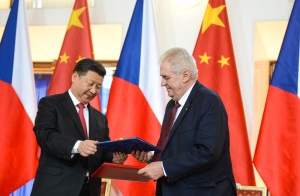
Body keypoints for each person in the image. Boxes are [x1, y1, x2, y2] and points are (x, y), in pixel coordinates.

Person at [133, 47, 236, 195]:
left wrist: (163, 168)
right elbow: (175, 146)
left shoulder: (209, 101)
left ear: (185, 75)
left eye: (166, 77)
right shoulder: (172, 104)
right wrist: (153, 156)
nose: (162, 83)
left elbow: (207, 152)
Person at [31, 58, 127, 196]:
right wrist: (77, 146)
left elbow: (102, 152)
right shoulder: (50, 104)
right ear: (75, 77)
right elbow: (45, 136)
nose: (93, 90)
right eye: (90, 84)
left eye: (98, 86)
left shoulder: (100, 118)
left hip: (89, 190)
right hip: (56, 188)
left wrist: (114, 159)